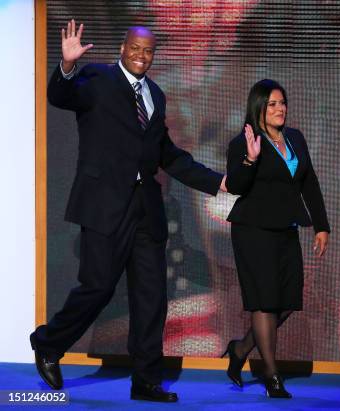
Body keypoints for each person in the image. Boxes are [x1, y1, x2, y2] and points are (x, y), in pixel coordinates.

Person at [30, 20, 227, 402]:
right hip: (104, 205)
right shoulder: (98, 78)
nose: (141, 56)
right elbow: (61, 96)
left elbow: (167, 155)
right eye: (135, 48)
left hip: (145, 208)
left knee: (151, 297)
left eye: (148, 51)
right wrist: (67, 66)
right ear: (123, 47)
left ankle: (146, 381)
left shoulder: (155, 93)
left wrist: (216, 182)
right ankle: (48, 344)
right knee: (98, 287)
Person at [222, 79, 330, 398]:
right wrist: (250, 160)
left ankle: (240, 350)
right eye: (272, 104)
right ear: (258, 107)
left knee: (286, 303)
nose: (279, 108)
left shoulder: (295, 138)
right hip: (252, 230)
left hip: (286, 229)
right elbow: (237, 186)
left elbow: (308, 182)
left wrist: (321, 226)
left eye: (282, 102)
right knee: (264, 302)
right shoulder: (243, 142)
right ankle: (271, 375)